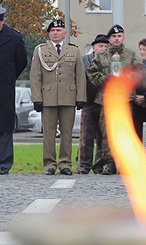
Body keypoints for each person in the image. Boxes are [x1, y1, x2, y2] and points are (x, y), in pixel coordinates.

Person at [30, 20, 86, 175]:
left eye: (58, 30)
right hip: (47, 97)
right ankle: (49, 164)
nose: (55, 33)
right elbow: (35, 76)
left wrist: (81, 97)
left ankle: (65, 163)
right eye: (53, 30)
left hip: (68, 96)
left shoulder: (73, 51)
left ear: (65, 33)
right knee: (48, 133)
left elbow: (80, 76)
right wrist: (36, 98)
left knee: (67, 132)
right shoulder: (41, 50)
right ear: (49, 33)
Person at [87, 24, 142, 175]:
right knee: (107, 132)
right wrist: (106, 79)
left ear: (123, 37)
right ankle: (110, 162)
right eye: (114, 36)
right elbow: (91, 73)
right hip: (107, 99)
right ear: (109, 38)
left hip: (125, 99)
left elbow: (139, 72)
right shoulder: (101, 55)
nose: (117, 39)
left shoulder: (131, 55)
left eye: (119, 36)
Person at [0, 7, 27, 175]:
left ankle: (4, 163)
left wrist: (9, 78)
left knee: (4, 126)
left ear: (2, 21)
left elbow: (21, 62)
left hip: (4, 88)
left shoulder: (15, 38)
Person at [78, 34, 109, 175]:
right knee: (86, 137)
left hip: (105, 103)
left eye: (105, 46)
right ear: (93, 47)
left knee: (103, 137)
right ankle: (84, 165)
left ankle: (98, 166)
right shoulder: (84, 61)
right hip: (89, 102)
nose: (103, 48)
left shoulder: (110, 63)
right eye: (100, 46)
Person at [133, 38, 146, 139]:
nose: (141, 52)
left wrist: (145, 98)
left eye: (144, 49)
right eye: (140, 49)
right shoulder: (137, 66)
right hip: (138, 107)